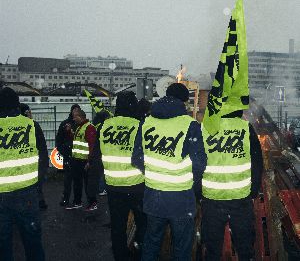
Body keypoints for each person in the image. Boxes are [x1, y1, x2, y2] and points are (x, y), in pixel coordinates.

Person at [132, 83, 207, 261]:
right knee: (181, 246)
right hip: (180, 200)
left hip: (153, 198)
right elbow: (199, 163)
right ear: (183, 101)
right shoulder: (190, 125)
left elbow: (137, 159)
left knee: (151, 243)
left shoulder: (146, 122)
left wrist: (154, 173)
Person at [91, 91, 147, 261]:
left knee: (117, 227)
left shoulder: (105, 126)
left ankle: (120, 256)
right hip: (138, 185)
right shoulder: (141, 125)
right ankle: (139, 253)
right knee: (143, 224)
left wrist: (92, 187)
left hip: (113, 186)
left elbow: (96, 157)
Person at [201, 110, 263, 261]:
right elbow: (257, 162)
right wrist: (253, 191)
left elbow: (196, 162)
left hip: (212, 199)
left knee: (212, 249)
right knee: (244, 247)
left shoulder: (204, 128)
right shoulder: (246, 127)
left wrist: (199, 193)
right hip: (240, 199)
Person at [0, 87, 47, 260]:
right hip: (27, 195)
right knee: (33, 243)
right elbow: (44, 160)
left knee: (3, 246)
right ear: (17, 105)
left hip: (1, 197)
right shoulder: (31, 126)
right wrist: (37, 186)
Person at [66, 109, 98, 211]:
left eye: (75, 117)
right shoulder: (80, 127)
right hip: (77, 160)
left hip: (85, 161)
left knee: (88, 183)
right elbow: (78, 141)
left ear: (81, 117)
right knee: (77, 182)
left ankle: (93, 203)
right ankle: (77, 202)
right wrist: (70, 132)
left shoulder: (89, 127)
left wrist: (89, 161)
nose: (73, 119)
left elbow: (92, 146)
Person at [20, 103, 49, 210]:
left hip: (28, 163)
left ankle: (36, 203)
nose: (30, 114)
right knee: (36, 185)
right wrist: (45, 161)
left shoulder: (16, 127)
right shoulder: (33, 125)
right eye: (28, 112)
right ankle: (39, 203)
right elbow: (42, 145)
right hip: (35, 162)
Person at [56, 104, 80, 206]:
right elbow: (59, 140)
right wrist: (63, 151)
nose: (76, 112)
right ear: (71, 111)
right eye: (74, 110)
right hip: (68, 156)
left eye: (78, 110)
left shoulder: (81, 124)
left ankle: (77, 200)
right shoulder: (64, 124)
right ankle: (65, 199)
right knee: (67, 179)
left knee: (78, 180)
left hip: (79, 156)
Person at [92, 110, 111, 196]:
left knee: (98, 172)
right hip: (101, 151)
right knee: (103, 172)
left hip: (95, 151)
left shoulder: (95, 124)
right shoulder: (103, 126)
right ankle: (101, 188)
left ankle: (97, 188)